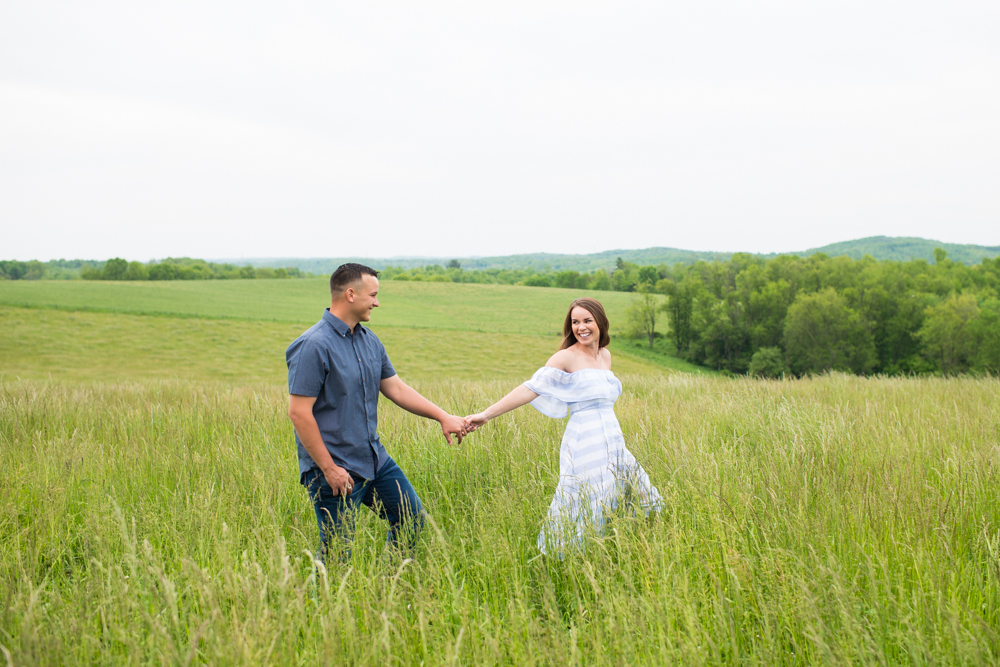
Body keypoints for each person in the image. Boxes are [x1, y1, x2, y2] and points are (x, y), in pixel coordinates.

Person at [287, 263, 468, 559]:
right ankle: (323, 604)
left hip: (373, 458)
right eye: (372, 295)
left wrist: (442, 416)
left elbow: (395, 388)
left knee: (411, 519)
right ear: (349, 294)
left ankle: (388, 588)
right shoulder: (312, 345)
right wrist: (329, 469)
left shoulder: (369, 341)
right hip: (335, 467)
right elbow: (299, 413)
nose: (377, 302)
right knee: (337, 552)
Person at [465, 297, 661, 554]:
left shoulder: (605, 355)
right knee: (584, 497)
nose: (581, 327)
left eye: (587, 320)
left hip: (613, 439)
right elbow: (531, 388)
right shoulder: (565, 357)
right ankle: (567, 554)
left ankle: (615, 548)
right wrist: (486, 414)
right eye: (575, 322)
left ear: (600, 322)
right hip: (584, 439)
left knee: (641, 494)